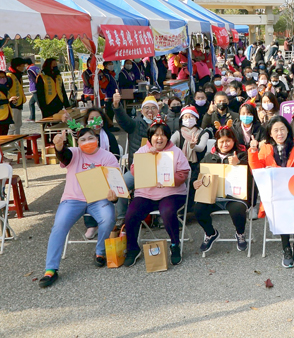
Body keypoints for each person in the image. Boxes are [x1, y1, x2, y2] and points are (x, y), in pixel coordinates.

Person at [38, 128, 118, 288]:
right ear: (77, 142)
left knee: (108, 217)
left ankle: (100, 251)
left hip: (98, 199)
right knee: (59, 226)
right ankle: (50, 269)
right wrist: (59, 146)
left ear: (97, 138)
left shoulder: (108, 157)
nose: (87, 142)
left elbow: (115, 183)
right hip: (73, 199)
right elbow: (64, 156)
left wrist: (114, 196)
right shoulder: (74, 153)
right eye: (83, 139)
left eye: (91, 138)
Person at [123, 118, 191, 267]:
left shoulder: (175, 151)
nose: (159, 138)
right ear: (150, 137)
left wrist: (169, 180)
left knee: (167, 211)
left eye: (162, 135)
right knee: (131, 214)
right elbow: (134, 171)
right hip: (146, 193)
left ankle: (174, 244)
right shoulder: (143, 150)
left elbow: (183, 174)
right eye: (155, 135)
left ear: (167, 137)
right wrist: (148, 156)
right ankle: (133, 249)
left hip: (172, 193)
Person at [249, 116, 294, 267]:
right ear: (270, 133)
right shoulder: (266, 148)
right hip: (275, 192)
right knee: (281, 211)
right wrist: (253, 150)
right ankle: (286, 247)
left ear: (288, 130)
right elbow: (256, 169)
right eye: (275, 130)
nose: (279, 133)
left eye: (282, 129)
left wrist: (275, 170)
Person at [193, 123, 253, 254]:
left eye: (228, 141)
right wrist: (196, 182)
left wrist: (240, 164)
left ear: (234, 141)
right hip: (213, 196)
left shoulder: (241, 155)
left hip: (235, 197)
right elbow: (198, 174)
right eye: (221, 142)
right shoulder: (209, 157)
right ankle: (211, 233)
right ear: (216, 143)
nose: (225, 144)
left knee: (237, 210)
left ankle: (240, 233)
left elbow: (251, 176)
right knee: (198, 209)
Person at [112, 92, 159, 222]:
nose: (150, 111)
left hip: (159, 168)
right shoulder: (135, 124)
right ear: (142, 110)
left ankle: (161, 216)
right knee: (121, 185)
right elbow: (122, 119)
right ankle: (121, 217)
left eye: (153, 108)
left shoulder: (162, 124)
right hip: (137, 169)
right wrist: (117, 106)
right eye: (147, 108)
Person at [6, 57, 27, 135]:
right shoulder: (9, 77)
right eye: (22, 66)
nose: (24, 67)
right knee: (13, 126)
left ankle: (18, 143)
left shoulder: (18, 75)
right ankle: (11, 144)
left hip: (18, 103)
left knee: (18, 124)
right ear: (17, 67)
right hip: (12, 105)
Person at [0, 70, 15, 135]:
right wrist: (7, 101)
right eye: (0, 78)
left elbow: (8, 101)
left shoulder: (6, 88)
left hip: (6, 117)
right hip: (0, 118)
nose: (3, 79)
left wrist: (12, 101)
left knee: (4, 135)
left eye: (4, 77)